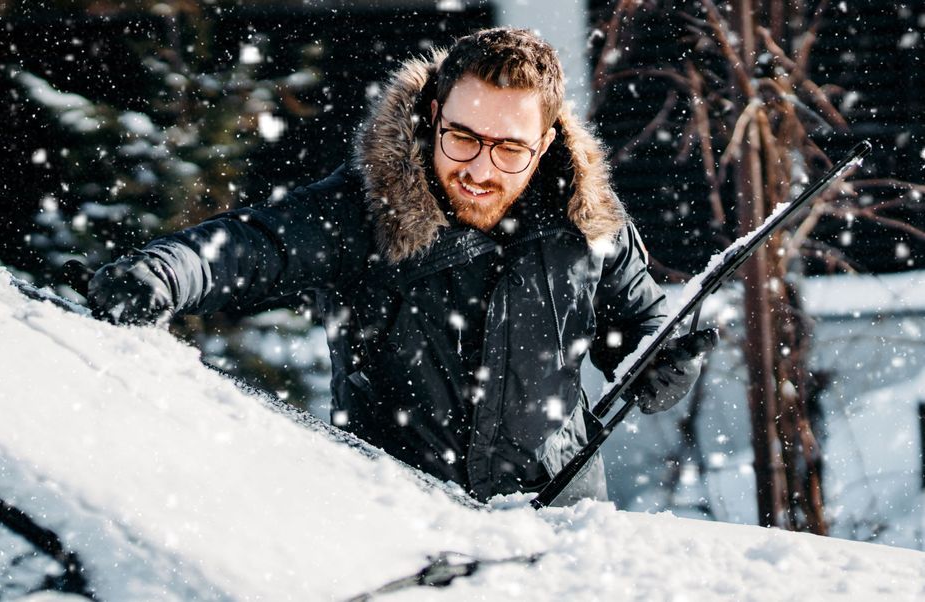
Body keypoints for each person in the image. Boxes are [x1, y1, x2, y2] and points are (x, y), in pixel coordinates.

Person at [87, 27, 717, 506]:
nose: (480, 169)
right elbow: (254, 243)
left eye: (509, 149)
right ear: (433, 117)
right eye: (463, 137)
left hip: (559, 525)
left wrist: (664, 362)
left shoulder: (589, 222)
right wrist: (164, 273)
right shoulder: (367, 208)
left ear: (545, 144)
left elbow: (643, 326)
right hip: (400, 523)